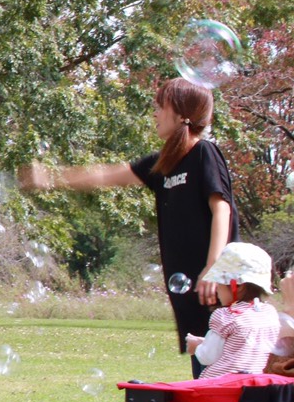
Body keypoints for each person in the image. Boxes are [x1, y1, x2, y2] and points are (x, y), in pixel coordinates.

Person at [19, 77, 238, 378]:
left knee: (221, 380)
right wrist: (51, 179)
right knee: (204, 375)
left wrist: (214, 269)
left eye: (161, 106)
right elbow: (106, 176)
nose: (155, 113)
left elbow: (221, 208)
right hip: (194, 294)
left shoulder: (204, 153)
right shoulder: (165, 164)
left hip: (217, 290)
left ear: (181, 112)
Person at [185, 243, 282, 379]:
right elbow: (244, 346)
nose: (217, 289)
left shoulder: (226, 316)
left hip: (222, 389)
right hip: (257, 386)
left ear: (238, 286)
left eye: (219, 283)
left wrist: (196, 347)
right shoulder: (269, 313)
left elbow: (207, 356)